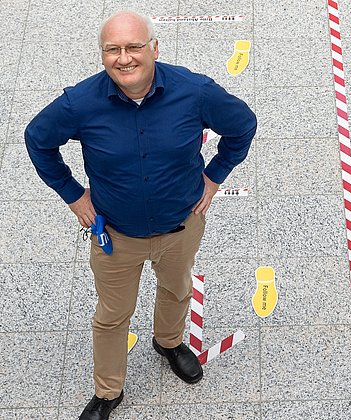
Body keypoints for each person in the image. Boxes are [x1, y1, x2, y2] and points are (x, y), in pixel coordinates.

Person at [25, 10, 256, 420]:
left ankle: (168, 342)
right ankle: (108, 391)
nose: (124, 58)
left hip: (182, 226)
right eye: (112, 49)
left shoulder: (195, 91)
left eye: (133, 47)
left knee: (176, 289)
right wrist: (74, 195)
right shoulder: (80, 103)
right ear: (102, 55)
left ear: (154, 48)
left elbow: (242, 126)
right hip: (116, 234)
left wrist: (216, 175)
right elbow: (37, 140)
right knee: (112, 316)